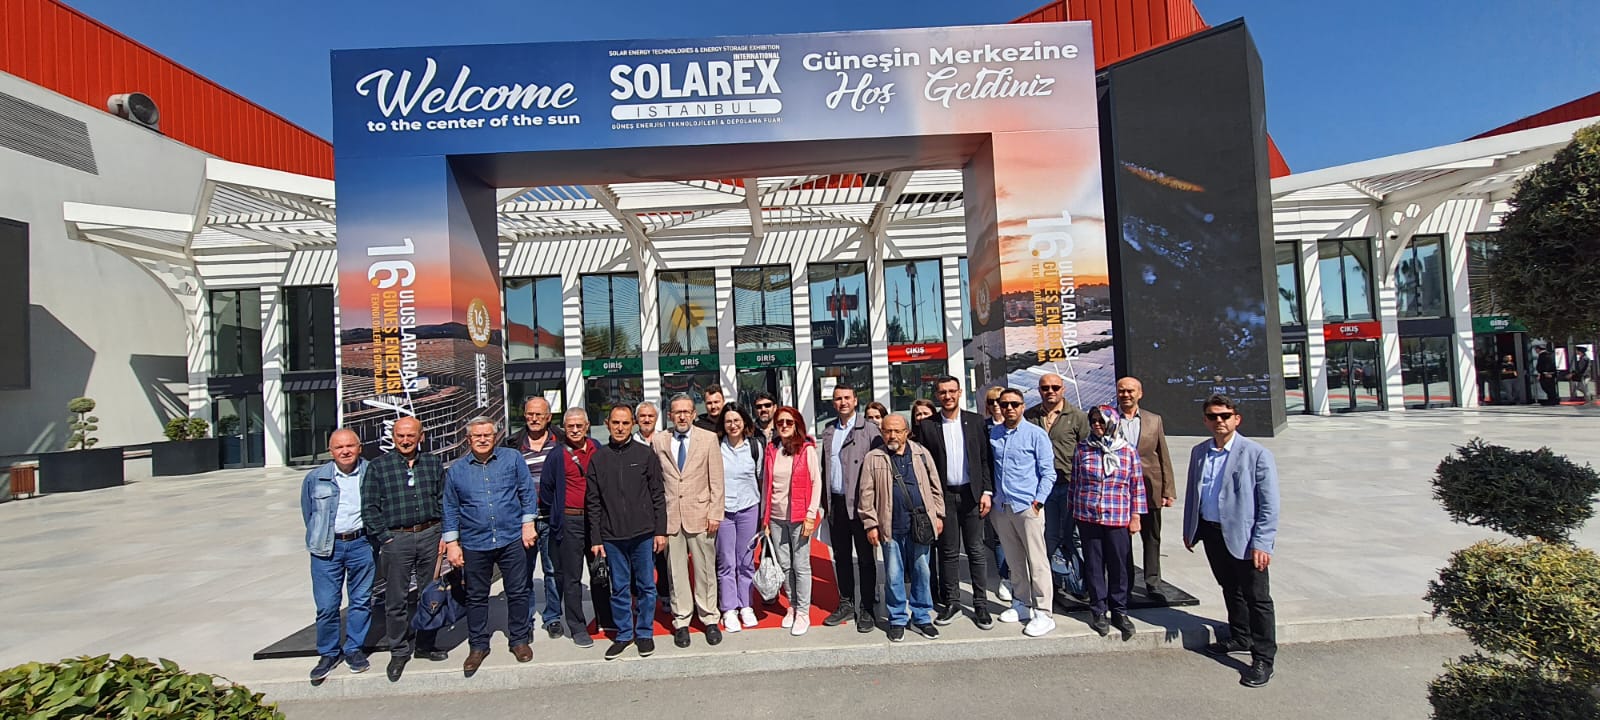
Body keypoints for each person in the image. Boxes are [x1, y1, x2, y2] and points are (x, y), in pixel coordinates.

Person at [1183, 394, 1280, 688]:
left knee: (1257, 598)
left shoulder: (1256, 454)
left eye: (1225, 416)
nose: (1219, 421)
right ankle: (1240, 636)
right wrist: (1190, 529)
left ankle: (1263, 658)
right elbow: (1194, 492)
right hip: (1212, 533)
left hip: (1245, 537)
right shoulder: (1200, 452)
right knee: (1230, 588)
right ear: (1205, 420)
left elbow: (1269, 504)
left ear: (1237, 419)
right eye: (1213, 416)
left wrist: (1262, 542)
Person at [443, 417, 538, 676]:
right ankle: (478, 646)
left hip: (511, 538)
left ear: (495, 437)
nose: (483, 439)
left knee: (517, 591)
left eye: (488, 435)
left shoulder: (512, 459)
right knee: (476, 596)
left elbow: (526, 492)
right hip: (475, 542)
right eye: (478, 436)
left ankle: (519, 640)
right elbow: (450, 507)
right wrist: (452, 543)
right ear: (468, 439)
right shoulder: (457, 470)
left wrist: (528, 523)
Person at [362, 417, 449, 682]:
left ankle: (425, 644)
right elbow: (370, 507)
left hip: (430, 534)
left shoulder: (433, 463)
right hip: (396, 539)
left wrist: (444, 533)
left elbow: (443, 499)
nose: (405, 440)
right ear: (393, 437)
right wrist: (385, 538)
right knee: (396, 599)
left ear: (421, 437)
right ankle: (399, 650)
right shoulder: (379, 467)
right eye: (400, 435)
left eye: (411, 435)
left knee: (429, 594)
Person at [587, 405, 668, 661]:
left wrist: (660, 531)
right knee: (619, 588)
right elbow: (593, 502)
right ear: (607, 424)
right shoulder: (599, 458)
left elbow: (658, 494)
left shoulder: (645, 454)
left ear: (632, 424)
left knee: (646, 586)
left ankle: (644, 633)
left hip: (643, 533)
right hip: (612, 536)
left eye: (624, 423)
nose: (620, 428)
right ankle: (624, 634)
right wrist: (596, 538)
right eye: (615, 423)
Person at [915, 375, 994, 630]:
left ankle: (981, 604)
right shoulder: (928, 426)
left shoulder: (976, 421)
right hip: (944, 497)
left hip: (972, 495)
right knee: (948, 552)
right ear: (937, 395)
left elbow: (984, 459)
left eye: (952, 391)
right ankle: (952, 602)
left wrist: (987, 492)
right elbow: (923, 466)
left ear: (960, 392)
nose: (947, 396)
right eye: (942, 392)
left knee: (976, 551)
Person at [859, 414, 945, 642]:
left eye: (897, 431)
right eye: (888, 431)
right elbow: (866, 494)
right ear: (882, 432)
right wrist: (871, 524)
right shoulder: (874, 458)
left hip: (920, 524)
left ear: (907, 432)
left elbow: (935, 486)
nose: (892, 435)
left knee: (922, 572)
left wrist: (938, 514)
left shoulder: (921, 454)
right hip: (890, 526)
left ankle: (922, 617)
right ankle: (897, 619)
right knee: (894, 575)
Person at [301, 428, 375, 681]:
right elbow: (309, 513)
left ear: (359, 448)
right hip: (326, 548)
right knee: (327, 605)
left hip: (361, 544)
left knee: (361, 600)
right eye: (339, 447)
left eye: (350, 446)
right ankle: (329, 652)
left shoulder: (371, 473)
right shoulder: (316, 478)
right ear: (331, 451)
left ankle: (354, 649)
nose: (345, 451)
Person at [653, 394, 726, 647]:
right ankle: (681, 620)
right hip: (672, 517)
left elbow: (717, 480)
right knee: (676, 573)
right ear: (670, 416)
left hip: (701, 515)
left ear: (694, 414)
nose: (682, 416)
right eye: (677, 412)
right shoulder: (659, 441)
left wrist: (715, 513)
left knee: (705, 570)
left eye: (686, 412)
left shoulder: (708, 439)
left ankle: (709, 617)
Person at [539, 407, 615, 648]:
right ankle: (577, 627)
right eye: (570, 426)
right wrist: (560, 511)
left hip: (595, 521)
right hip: (570, 521)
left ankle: (606, 618)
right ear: (564, 428)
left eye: (579, 425)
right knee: (571, 577)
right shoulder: (556, 455)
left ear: (587, 426)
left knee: (599, 572)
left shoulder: (597, 448)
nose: (574, 430)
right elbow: (546, 490)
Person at [1071, 406, 1146, 641]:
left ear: (1112, 423)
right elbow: (1075, 481)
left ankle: (1119, 610)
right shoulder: (1083, 448)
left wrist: (1136, 516)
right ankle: (1098, 610)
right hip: (1088, 515)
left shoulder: (1127, 451)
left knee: (1119, 565)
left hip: (1117, 516)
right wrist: (1072, 511)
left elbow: (1136, 485)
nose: (1096, 425)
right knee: (1094, 565)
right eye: (1093, 420)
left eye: (1101, 421)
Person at [989, 388, 1057, 637]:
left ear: (1023, 406)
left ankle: (1044, 612)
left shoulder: (1036, 434)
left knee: (1037, 562)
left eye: (1014, 404)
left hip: (1027, 507)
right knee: (1014, 559)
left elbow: (1048, 472)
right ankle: (1021, 602)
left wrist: (1038, 502)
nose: (1009, 408)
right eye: (1004, 404)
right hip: (1002, 506)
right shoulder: (994, 434)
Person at [819, 384, 884, 632]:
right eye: (838, 398)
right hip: (836, 503)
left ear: (856, 400)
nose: (843, 402)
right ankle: (846, 602)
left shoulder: (870, 430)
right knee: (842, 557)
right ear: (833, 402)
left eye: (847, 398)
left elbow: (879, 468)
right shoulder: (828, 431)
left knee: (866, 559)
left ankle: (867, 607)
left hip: (861, 504)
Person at [1023, 373, 1090, 596]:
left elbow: (1087, 450)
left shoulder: (1078, 417)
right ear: (1039, 390)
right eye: (1045, 388)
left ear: (1063, 389)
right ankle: (1057, 581)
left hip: (1070, 485)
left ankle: (1080, 582)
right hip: (1042, 488)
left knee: (1073, 536)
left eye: (1055, 387)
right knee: (1049, 535)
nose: (1050, 391)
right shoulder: (1030, 416)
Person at [761, 406, 823, 636]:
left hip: (800, 516)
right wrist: (765, 517)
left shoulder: (806, 450)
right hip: (776, 517)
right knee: (784, 564)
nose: (784, 426)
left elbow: (816, 482)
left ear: (797, 424)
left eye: (789, 422)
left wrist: (811, 514)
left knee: (801, 565)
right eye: (780, 423)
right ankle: (792, 605)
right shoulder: (771, 449)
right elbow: (766, 485)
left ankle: (804, 612)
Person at [505, 397, 563, 640]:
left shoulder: (561, 441)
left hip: (551, 518)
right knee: (523, 574)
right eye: (530, 414)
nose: (534, 418)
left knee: (552, 571)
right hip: (523, 521)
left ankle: (553, 617)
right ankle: (525, 620)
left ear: (549, 417)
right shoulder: (512, 445)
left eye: (539, 414)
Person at [1114, 377, 1176, 600]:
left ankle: (1153, 582)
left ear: (1140, 393)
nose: (1126, 395)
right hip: (1119, 489)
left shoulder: (1154, 420)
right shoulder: (1109, 419)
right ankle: (1126, 583)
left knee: (1151, 537)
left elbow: (1163, 455)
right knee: (1122, 541)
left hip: (1150, 487)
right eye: (1121, 391)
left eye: (1130, 391)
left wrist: (1168, 490)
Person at [716, 404, 764, 634]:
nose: (733, 425)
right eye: (728, 421)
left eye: (737, 420)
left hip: (748, 508)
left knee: (745, 560)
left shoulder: (755, 447)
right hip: (723, 510)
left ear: (744, 422)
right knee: (726, 561)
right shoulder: (717, 447)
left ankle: (746, 604)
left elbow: (761, 477)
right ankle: (728, 608)